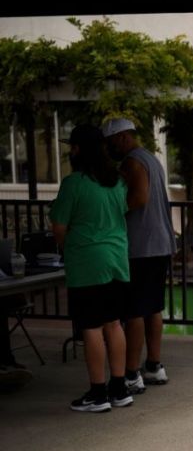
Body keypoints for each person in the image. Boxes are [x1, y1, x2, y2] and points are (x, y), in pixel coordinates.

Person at [49, 124, 132, 412]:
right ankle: (120, 388)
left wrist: (67, 245)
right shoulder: (117, 181)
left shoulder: (74, 183)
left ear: (78, 150)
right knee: (114, 323)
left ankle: (97, 393)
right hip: (117, 258)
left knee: (91, 327)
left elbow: (59, 227)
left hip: (87, 261)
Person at [103, 118, 176, 394]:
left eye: (110, 144)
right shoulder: (150, 159)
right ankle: (154, 365)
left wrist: (110, 212)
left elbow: (139, 198)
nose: (109, 150)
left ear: (121, 138)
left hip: (141, 246)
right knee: (153, 308)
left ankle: (131, 372)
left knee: (133, 311)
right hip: (160, 243)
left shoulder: (132, 162)